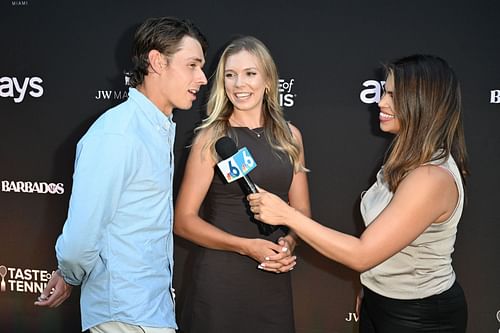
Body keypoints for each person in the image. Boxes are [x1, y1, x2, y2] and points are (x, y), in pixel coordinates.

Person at [248, 54, 469, 332]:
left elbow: (363, 254)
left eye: (391, 94)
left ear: (422, 102)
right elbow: (382, 248)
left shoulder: (431, 177)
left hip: (420, 317)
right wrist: (371, 287)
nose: (381, 102)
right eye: (383, 92)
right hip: (382, 303)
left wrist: (287, 214)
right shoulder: (406, 157)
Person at [34, 16, 208, 333]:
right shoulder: (118, 135)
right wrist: (69, 272)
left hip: (147, 312)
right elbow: (81, 236)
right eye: (192, 65)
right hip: (124, 317)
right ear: (157, 61)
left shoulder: (155, 130)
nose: (203, 78)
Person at [174, 36, 311, 333]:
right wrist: (246, 247)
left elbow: (301, 210)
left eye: (250, 74)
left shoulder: (291, 137)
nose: (239, 84)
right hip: (221, 279)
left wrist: (289, 243)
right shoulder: (211, 138)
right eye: (230, 75)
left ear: (268, 80)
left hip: (273, 275)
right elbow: (183, 221)